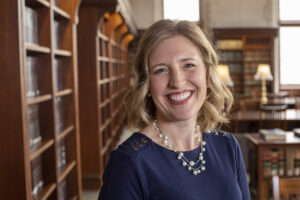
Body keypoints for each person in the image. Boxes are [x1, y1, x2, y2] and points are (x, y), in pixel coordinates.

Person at [98, 19, 250, 200]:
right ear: (145, 84)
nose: (177, 82)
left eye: (188, 65)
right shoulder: (129, 162)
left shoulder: (228, 146)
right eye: (161, 70)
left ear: (208, 74)